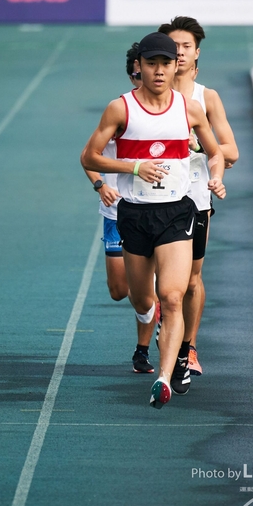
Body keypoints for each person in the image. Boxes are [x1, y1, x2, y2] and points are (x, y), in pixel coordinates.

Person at [81, 32, 226, 409]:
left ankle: (165, 374)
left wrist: (217, 176)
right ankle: (153, 326)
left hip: (177, 212)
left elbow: (216, 152)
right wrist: (134, 167)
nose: (159, 71)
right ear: (140, 67)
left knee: (173, 296)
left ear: (175, 66)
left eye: (166, 64)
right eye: (151, 64)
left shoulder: (190, 109)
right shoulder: (120, 109)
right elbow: (90, 157)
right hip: (133, 213)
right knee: (141, 298)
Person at [157, 16, 239, 379]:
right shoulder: (151, 95)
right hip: (153, 198)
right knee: (156, 281)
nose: (179, 51)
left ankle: (187, 347)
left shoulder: (206, 98)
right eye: (172, 46)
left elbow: (231, 151)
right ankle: (163, 321)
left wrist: (198, 146)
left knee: (190, 279)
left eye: (185, 46)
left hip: (194, 197)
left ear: (196, 52)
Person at [81, 43, 155, 374]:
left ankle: (143, 348)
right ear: (132, 74)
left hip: (160, 211)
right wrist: (101, 185)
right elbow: (88, 157)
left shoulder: (173, 111)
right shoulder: (120, 111)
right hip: (117, 214)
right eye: (139, 74)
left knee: (160, 291)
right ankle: (152, 306)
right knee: (119, 291)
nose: (146, 79)